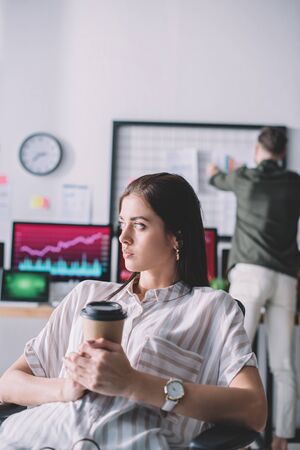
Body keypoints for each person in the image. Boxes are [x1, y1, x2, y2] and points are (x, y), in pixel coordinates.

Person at [0, 173, 267, 450]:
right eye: (122, 224)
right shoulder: (87, 295)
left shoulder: (212, 308)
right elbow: (8, 384)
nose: (123, 238)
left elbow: (254, 409)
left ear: (176, 237)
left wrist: (134, 383)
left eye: (139, 225)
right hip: (50, 437)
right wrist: (65, 389)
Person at [207, 127, 300, 450]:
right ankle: (282, 437)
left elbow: (215, 180)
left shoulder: (243, 177)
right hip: (286, 278)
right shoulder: (295, 183)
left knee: (235, 355)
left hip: (249, 274)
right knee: (283, 363)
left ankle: (236, 432)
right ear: (284, 153)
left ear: (257, 149)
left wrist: (214, 171)